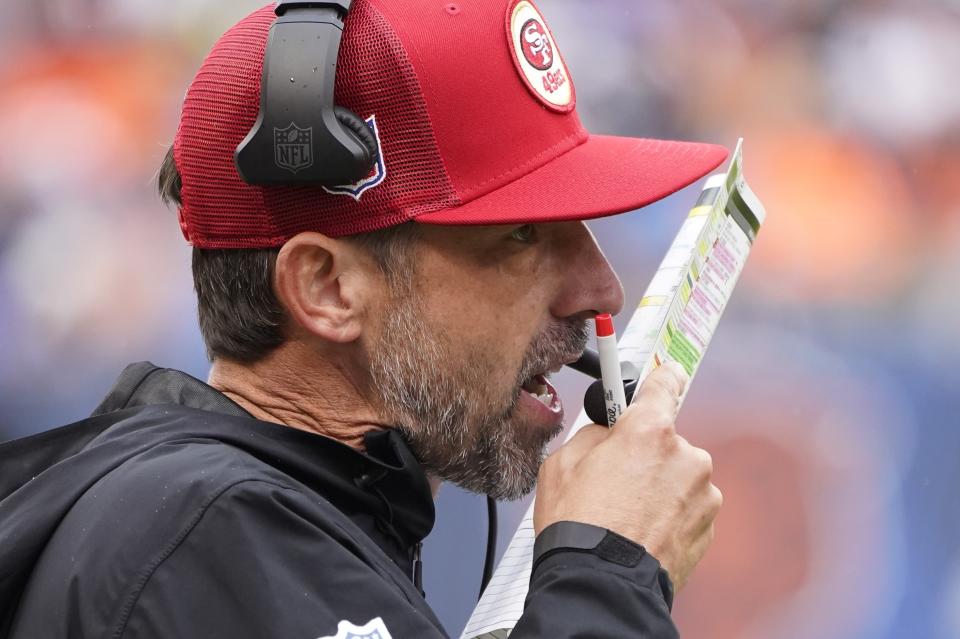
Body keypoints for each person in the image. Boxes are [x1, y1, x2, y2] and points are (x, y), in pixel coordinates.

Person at [0, 1, 725, 637]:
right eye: (522, 236)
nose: (600, 289)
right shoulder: (209, 534)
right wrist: (608, 566)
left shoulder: (235, 518)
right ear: (326, 288)